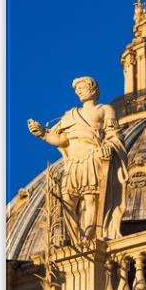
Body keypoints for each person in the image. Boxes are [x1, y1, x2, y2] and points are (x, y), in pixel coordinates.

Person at [28, 76, 128, 247]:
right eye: (77, 90)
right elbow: (61, 141)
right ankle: (72, 236)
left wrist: (109, 147)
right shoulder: (70, 116)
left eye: (82, 88)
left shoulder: (105, 109)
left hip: (92, 159)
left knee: (90, 199)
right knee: (66, 200)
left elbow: (114, 135)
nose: (78, 91)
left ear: (93, 89)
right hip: (73, 162)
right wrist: (43, 134)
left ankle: (88, 234)